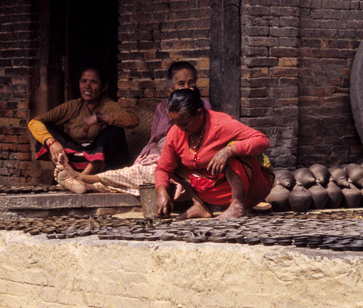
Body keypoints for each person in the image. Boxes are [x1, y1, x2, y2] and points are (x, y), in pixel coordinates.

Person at [55, 61, 209, 196]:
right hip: (161, 156)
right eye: (181, 84)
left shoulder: (201, 105)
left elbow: (202, 137)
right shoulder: (162, 108)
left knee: (143, 175)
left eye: (191, 82)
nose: (187, 88)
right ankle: (88, 186)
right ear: (170, 88)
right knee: (138, 174)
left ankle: (81, 178)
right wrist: (152, 156)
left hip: (184, 159)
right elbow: (154, 140)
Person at [155, 87, 273, 219]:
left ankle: (237, 205)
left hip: (250, 190)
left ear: (200, 113)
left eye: (184, 123)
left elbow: (262, 140)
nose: (179, 128)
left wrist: (228, 151)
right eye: (175, 123)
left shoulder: (221, 123)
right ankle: (200, 205)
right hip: (212, 191)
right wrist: (161, 192)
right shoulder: (175, 132)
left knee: (234, 149)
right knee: (173, 163)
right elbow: (163, 168)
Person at [28, 68, 138, 176]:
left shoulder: (109, 105)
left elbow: (133, 120)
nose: (87, 86)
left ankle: (81, 178)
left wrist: (99, 117)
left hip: (101, 163)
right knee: (43, 132)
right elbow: (34, 122)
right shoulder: (73, 106)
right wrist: (51, 142)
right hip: (75, 160)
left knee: (115, 131)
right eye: (84, 81)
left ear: (104, 87)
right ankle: (66, 171)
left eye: (94, 82)